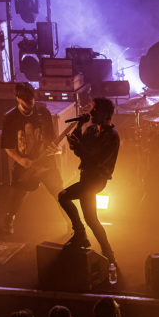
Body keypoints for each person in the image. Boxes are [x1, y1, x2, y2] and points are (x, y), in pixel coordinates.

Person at [59, 97, 120, 263]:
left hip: (96, 181)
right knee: (91, 219)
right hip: (86, 177)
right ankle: (107, 252)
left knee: (63, 196)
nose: (91, 112)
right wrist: (79, 127)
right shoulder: (92, 130)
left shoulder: (112, 137)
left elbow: (96, 160)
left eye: (95, 110)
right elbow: (81, 151)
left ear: (105, 114)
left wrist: (78, 146)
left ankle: (80, 234)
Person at [0, 82, 65, 235]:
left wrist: (55, 149)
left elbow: (51, 139)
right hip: (25, 165)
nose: (30, 104)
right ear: (18, 98)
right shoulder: (10, 118)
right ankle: (9, 221)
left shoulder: (43, 112)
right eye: (26, 101)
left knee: (60, 194)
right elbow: (7, 146)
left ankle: (73, 224)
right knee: (16, 197)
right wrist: (21, 160)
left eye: (32, 100)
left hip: (47, 163)